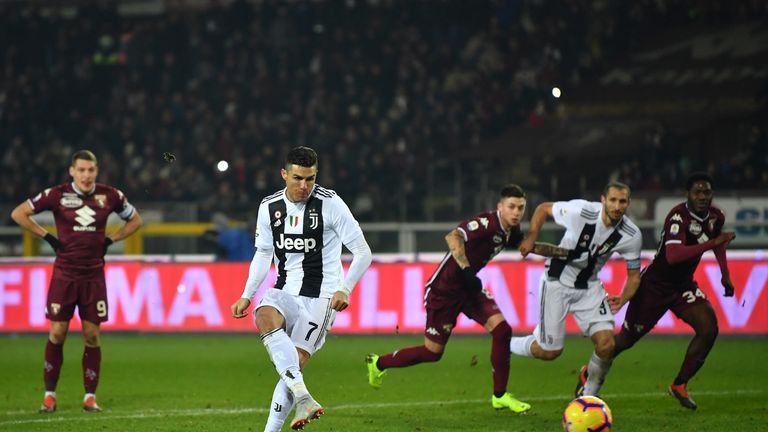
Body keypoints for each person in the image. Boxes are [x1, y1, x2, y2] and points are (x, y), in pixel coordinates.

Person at [365, 184, 568, 413]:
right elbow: (453, 236)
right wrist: (466, 270)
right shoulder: (486, 224)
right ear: (500, 207)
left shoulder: (510, 230)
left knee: (502, 330)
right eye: (511, 207)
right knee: (433, 353)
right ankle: (378, 363)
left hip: (469, 290)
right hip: (444, 291)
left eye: (521, 208)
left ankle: (500, 395)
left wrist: (565, 253)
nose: (516, 212)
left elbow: (529, 247)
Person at [230, 146, 372, 431]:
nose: (304, 186)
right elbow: (263, 253)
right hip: (284, 290)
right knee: (264, 316)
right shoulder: (269, 207)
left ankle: (274, 426)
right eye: (297, 178)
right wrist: (247, 294)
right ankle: (303, 396)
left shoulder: (330, 204)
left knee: (293, 363)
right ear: (284, 174)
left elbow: (362, 252)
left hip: (321, 297)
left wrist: (345, 288)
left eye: (310, 179)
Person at [575, 173, 736, 409]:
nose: (702, 197)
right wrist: (713, 243)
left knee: (709, 327)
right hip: (654, 286)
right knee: (627, 340)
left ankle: (679, 384)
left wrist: (725, 274)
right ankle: (588, 371)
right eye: (697, 192)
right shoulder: (678, 217)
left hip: (683, 286)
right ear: (687, 195)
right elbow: (673, 256)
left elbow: (718, 241)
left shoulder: (715, 216)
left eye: (706, 192)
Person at [10, 150, 142, 413]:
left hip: (93, 275)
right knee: (57, 333)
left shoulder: (110, 195)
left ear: (97, 171)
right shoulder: (57, 194)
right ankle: (49, 395)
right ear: (72, 171)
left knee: (91, 335)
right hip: (65, 274)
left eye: (90, 170)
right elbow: (19, 213)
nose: (86, 175)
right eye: (81, 170)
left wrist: (111, 240)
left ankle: (90, 397)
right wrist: (47, 237)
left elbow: (136, 220)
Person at [508, 182, 642, 397]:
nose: (617, 206)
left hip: (589, 287)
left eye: (622, 201)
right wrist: (532, 236)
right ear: (603, 200)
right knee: (549, 351)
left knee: (607, 345)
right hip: (557, 283)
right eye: (613, 200)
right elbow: (543, 208)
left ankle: (588, 398)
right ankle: (505, 343)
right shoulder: (582, 211)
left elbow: (634, 276)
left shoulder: (631, 234)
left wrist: (624, 298)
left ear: (628, 203)